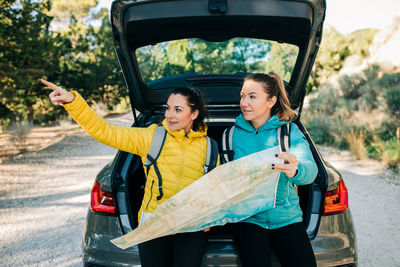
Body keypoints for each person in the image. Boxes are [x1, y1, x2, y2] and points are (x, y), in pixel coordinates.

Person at [41, 79, 217, 267]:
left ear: (194, 113)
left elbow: (215, 188)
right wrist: (73, 102)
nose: (169, 115)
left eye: (178, 110)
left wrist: (212, 217)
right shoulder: (152, 136)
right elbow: (104, 131)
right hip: (154, 226)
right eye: (168, 108)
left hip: (191, 226)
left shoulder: (209, 146)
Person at [227, 72, 318, 267]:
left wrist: (296, 170)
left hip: (286, 218)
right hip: (248, 219)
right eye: (242, 96)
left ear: (271, 101)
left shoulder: (288, 132)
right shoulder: (231, 135)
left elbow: (311, 170)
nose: (244, 102)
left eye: (252, 96)